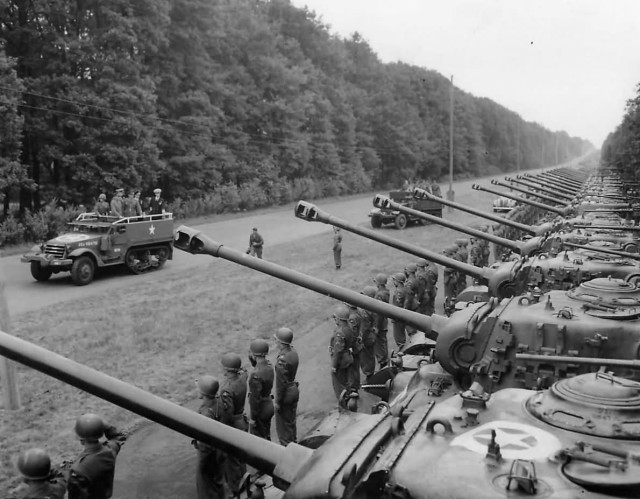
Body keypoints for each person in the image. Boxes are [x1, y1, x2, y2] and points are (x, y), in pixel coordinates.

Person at [67, 413, 126, 499]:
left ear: (81, 440)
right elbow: (118, 438)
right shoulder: (110, 451)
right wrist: (102, 425)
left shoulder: (78, 471)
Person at [192, 376, 231, 499]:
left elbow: (205, 446)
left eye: (198, 388)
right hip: (220, 452)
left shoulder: (206, 414)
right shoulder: (219, 402)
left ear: (203, 393)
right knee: (218, 484)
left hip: (209, 457)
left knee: (206, 490)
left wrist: (201, 467)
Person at [219, 353, 248, 495]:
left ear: (227, 370)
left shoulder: (226, 389)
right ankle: (245, 480)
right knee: (241, 456)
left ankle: (237, 490)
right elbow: (244, 372)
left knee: (232, 461)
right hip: (242, 419)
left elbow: (227, 415)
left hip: (233, 425)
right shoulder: (242, 379)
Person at [273, 327, 299, 446]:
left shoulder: (281, 360)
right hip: (294, 388)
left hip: (286, 394)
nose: (276, 342)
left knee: (283, 427)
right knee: (291, 421)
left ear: (281, 343)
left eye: (277, 340)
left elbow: (280, 384)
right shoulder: (293, 352)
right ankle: (294, 443)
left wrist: (278, 402)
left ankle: (288, 449)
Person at [329, 305, 358, 409]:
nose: (335, 319)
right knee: (348, 380)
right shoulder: (349, 328)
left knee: (339, 384)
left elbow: (338, 351)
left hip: (341, 361)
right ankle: (351, 396)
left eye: (335, 318)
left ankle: (344, 403)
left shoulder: (339, 333)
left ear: (339, 319)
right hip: (348, 357)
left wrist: (334, 366)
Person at [247, 339, 274, 440]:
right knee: (266, 435)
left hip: (261, 410)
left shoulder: (255, 374)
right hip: (269, 404)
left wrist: (253, 418)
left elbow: (255, 400)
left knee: (259, 440)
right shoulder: (269, 366)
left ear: (254, 354)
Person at [358, 286, 377, 379]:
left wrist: (360, 339)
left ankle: (369, 376)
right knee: (370, 356)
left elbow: (363, 329)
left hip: (367, 337)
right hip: (371, 335)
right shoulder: (372, 307)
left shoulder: (364, 313)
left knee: (366, 358)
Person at [372, 273, 390, 368]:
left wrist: (377, 326)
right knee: (383, 342)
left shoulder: (379, 294)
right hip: (384, 321)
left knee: (380, 343)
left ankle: (383, 362)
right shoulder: (385, 292)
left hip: (380, 322)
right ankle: (384, 359)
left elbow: (379, 313)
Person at [391, 272, 407, 349]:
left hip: (398, 317)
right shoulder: (403, 289)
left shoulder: (399, 292)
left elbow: (397, 305)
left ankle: (402, 350)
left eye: (394, 280)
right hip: (401, 315)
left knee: (398, 336)